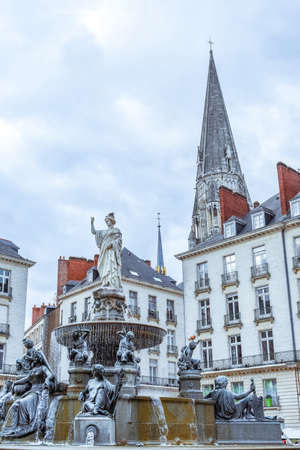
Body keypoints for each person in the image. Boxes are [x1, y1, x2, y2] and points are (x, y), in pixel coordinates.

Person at [1, 352, 56, 438]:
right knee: (16, 404)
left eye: (34, 357)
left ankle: (24, 425)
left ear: (38, 358)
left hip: (37, 393)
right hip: (30, 392)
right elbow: (25, 379)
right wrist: (15, 383)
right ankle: (14, 427)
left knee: (20, 403)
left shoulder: (43, 368)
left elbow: (51, 375)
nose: (32, 359)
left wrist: (47, 380)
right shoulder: (32, 370)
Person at [91, 213, 122, 290]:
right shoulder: (103, 232)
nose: (107, 223)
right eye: (106, 221)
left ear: (112, 221)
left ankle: (111, 282)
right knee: (103, 266)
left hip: (111, 251)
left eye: (108, 221)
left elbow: (119, 241)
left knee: (111, 265)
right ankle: (105, 281)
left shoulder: (116, 231)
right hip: (104, 251)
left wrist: (112, 244)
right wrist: (92, 223)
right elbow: (94, 232)